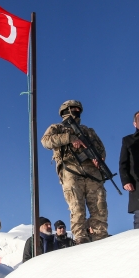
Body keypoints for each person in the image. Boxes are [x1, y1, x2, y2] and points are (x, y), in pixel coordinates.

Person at [41, 100, 108, 245]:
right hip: (70, 170)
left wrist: (99, 158)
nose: (77, 111)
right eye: (74, 108)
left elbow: (101, 148)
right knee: (77, 207)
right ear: (66, 110)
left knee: (99, 204)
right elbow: (45, 141)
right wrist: (70, 139)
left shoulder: (88, 131)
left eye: (79, 109)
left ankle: (101, 236)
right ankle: (80, 239)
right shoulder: (57, 128)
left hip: (92, 172)